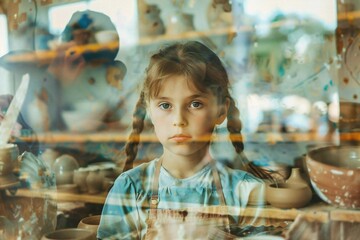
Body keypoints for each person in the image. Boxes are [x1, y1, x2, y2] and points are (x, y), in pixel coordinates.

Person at [98, 41, 265, 239]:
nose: (179, 120)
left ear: (221, 110)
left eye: (195, 104)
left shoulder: (244, 191)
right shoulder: (130, 189)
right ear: (149, 110)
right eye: (165, 105)